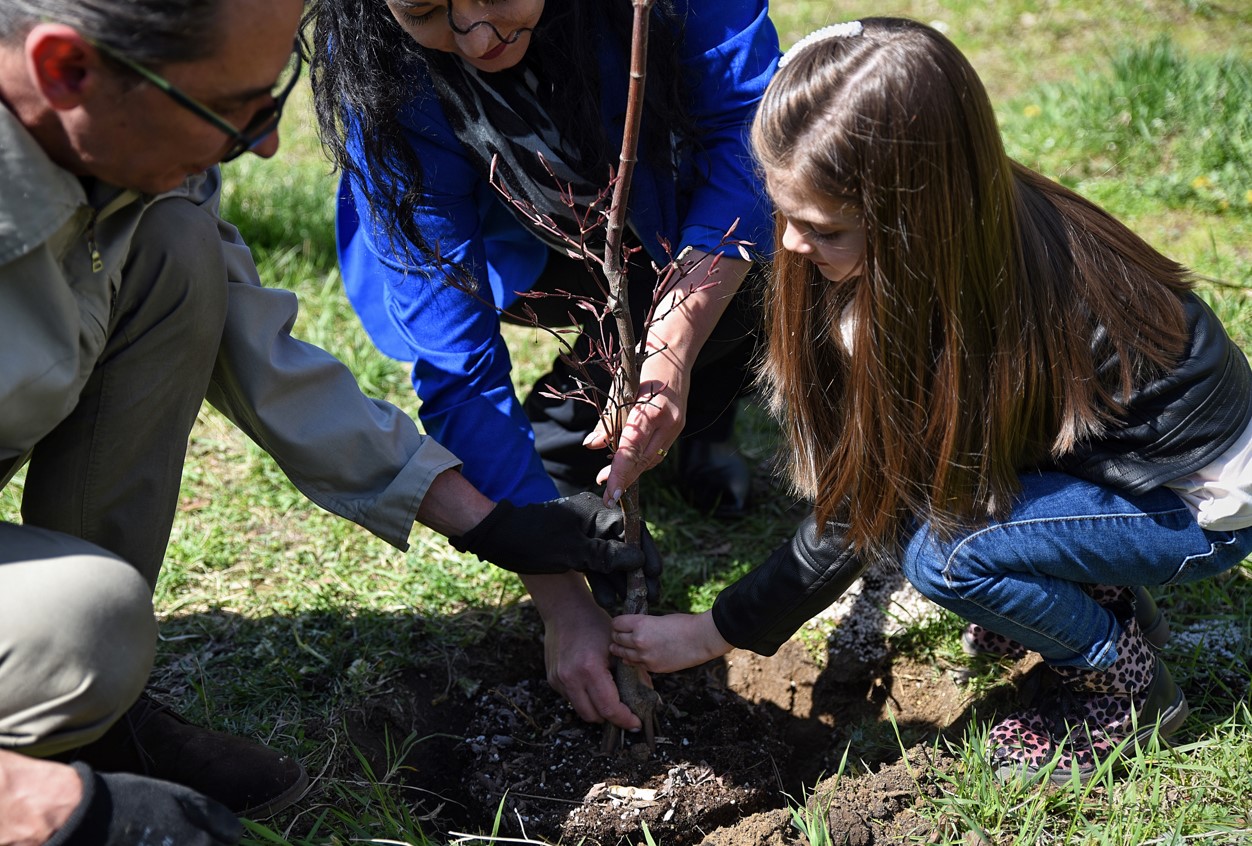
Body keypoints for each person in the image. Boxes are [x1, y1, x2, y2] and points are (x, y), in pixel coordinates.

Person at [0, 0, 660, 842]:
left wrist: (484, 520)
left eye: (271, 102)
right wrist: (39, 804)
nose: (266, 146)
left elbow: (256, 352)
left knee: (179, 246)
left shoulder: (125, 162)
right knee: (81, 624)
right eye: (233, 109)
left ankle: (96, 715)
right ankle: (60, 708)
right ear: (67, 72)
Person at [608, 17, 1252, 785]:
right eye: (783, 212)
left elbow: (860, 513)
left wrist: (715, 630)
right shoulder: (970, 233)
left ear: (915, 218)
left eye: (824, 228)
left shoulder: (956, 312)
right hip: (1118, 468)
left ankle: (1123, 685)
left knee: (945, 556)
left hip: (1198, 503)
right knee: (948, 519)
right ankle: (1101, 597)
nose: (789, 246)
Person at [305, 0, 780, 518]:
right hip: (532, 249)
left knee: (772, 252)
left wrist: (671, 348)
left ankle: (696, 419)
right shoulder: (385, 58)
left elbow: (747, 141)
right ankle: (566, 447)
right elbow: (455, 355)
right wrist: (546, 558)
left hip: (682, 203)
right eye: (423, 11)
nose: (479, 42)